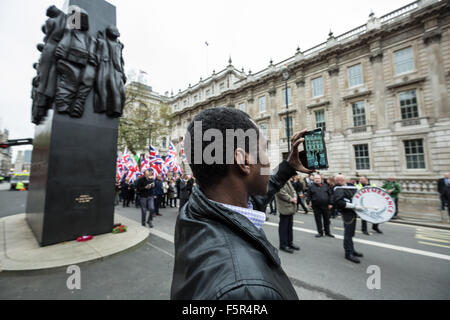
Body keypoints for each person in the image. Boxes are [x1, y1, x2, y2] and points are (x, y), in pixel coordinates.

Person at [171, 107, 312, 300]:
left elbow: (254, 198)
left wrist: (288, 167)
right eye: (263, 150)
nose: (268, 160)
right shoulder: (245, 291)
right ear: (243, 161)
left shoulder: (196, 208)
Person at [333, 174, 364, 264]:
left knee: (351, 233)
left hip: (352, 212)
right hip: (347, 213)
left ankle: (352, 250)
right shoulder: (338, 189)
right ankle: (348, 253)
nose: (343, 181)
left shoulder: (346, 186)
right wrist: (354, 206)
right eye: (341, 180)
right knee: (348, 233)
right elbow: (339, 202)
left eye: (343, 179)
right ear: (338, 181)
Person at [275, 179, 300, 253]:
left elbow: (293, 190)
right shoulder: (278, 181)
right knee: (283, 228)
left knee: (289, 227)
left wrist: (295, 197)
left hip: (291, 207)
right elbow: (280, 193)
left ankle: (290, 243)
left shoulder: (287, 181)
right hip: (284, 208)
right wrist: (291, 199)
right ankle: (283, 245)